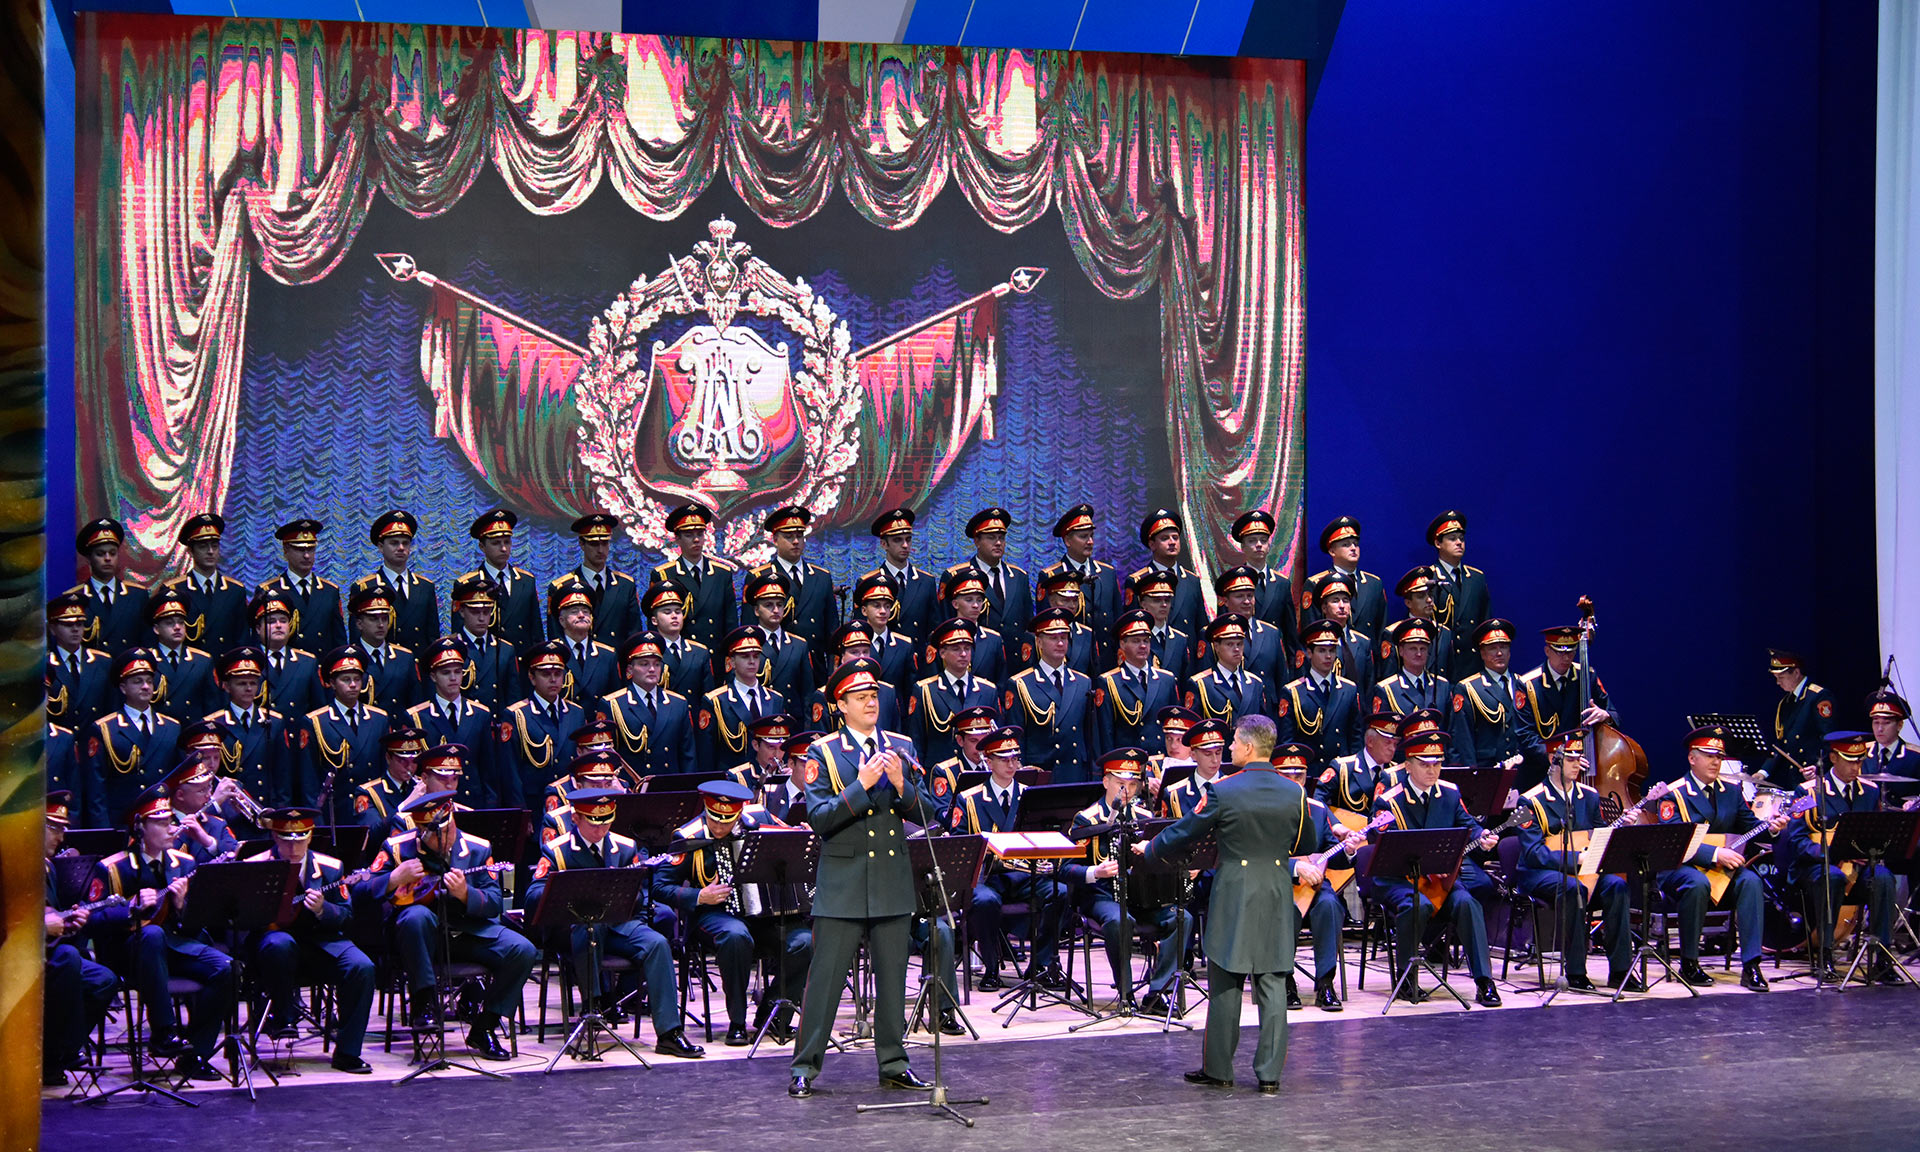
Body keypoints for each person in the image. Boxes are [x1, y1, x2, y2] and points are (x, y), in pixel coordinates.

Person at [788, 659, 934, 1099]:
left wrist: (901, 785)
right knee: (825, 981)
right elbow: (819, 818)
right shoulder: (823, 752)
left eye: (874, 695)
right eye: (860, 697)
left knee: (893, 980)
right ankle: (805, 1066)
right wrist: (863, 784)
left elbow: (929, 812)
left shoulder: (900, 746)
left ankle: (893, 1063)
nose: (871, 702)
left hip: (890, 877)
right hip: (844, 881)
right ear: (841, 705)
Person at [1135, 722, 1298, 1094]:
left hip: (1235, 890)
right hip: (1276, 889)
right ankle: (1270, 1074)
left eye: (1234, 743)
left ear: (1248, 747)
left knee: (1226, 975)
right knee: (1272, 978)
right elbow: (1305, 839)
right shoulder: (1294, 791)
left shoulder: (1223, 790)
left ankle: (1219, 1068)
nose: (1230, 749)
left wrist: (1151, 849)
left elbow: (1186, 830)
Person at [526, 787, 706, 1057]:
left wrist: (624, 889)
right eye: (593, 823)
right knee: (590, 928)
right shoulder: (556, 851)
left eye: (606, 822)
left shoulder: (625, 847)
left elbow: (641, 895)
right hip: (572, 928)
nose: (601, 830)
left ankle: (669, 1032)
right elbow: (533, 896)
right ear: (576, 818)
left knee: (657, 943)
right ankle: (593, 1007)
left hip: (618, 923)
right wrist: (573, 889)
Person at [358, 790, 535, 1059]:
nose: (443, 839)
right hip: (418, 938)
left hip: (467, 932)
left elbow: (494, 902)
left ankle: (485, 1027)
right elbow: (359, 894)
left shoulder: (478, 848)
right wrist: (393, 879)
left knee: (522, 950)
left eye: (447, 829)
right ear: (420, 830)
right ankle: (424, 1005)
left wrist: (466, 894)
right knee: (416, 916)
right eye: (433, 834)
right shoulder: (396, 848)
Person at [86, 781, 233, 1079]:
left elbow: (196, 922)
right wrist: (130, 907)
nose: (171, 829)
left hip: (173, 945)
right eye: (162, 823)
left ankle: (195, 1054)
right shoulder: (112, 867)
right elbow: (92, 918)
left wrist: (181, 906)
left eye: (171, 821)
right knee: (152, 935)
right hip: (128, 952)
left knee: (226, 968)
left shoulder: (185, 862)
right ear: (140, 827)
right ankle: (163, 1032)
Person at [658, 781, 813, 1046]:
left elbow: (791, 840)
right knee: (736, 936)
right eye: (714, 819)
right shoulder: (688, 836)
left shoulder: (760, 819)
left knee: (805, 942)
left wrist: (803, 838)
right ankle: (737, 1022)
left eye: (727, 821)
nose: (719, 828)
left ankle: (774, 1015)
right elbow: (660, 886)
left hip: (764, 916)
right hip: (713, 914)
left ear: (739, 813)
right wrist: (699, 895)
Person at [1369, 730, 1503, 1006]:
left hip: (1440, 881)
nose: (1432, 770)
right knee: (1415, 906)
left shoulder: (1450, 794)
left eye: (1437, 764)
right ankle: (1406, 978)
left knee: (1468, 903)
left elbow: (1468, 825)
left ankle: (1484, 981)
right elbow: (1382, 845)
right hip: (1400, 880)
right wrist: (1428, 862)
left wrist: (1483, 836)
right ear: (1408, 766)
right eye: (1424, 764)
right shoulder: (1389, 800)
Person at [242, 806, 377, 1072]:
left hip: (321, 943)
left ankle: (348, 1052)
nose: (294, 848)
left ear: (311, 836)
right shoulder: (254, 866)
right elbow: (241, 920)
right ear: (275, 836)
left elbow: (346, 916)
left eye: (300, 839)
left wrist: (323, 909)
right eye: (286, 840)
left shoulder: (331, 867)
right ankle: (283, 1016)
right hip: (273, 948)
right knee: (279, 944)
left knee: (362, 966)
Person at [1655, 725, 1788, 991]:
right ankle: (1689, 962)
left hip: (1722, 870)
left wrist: (1772, 827)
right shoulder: (1673, 793)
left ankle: (1751, 965)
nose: (1716, 762)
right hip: (1681, 866)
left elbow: (1751, 827)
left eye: (1719, 756)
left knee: (1751, 881)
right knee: (1696, 884)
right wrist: (1715, 854)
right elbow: (1674, 842)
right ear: (1692, 758)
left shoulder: (1731, 791)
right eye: (1709, 756)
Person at [1066, 747, 1193, 1015]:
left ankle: (1158, 992)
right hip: (1102, 896)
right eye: (1120, 783)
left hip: (1143, 897)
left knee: (1183, 918)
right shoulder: (1087, 819)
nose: (1127, 791)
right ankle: (1125, 993)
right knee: (1119, 920)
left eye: (1133, 784)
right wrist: (1095, 872)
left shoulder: (1146, 819)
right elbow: (1065, 869)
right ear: (1106, 782)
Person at [1514, 731, 1641, 992]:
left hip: (1584, 870)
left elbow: (1598, 835)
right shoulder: (1530, 799)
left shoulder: (1589, 796)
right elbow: (1534, 853)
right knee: (1573, 889)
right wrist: (1575, 858)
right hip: (1540, 872)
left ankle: (1620, 970)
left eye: (1579, 758)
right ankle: (1575, 971)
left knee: (1617, 886)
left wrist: (1620, 830)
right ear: (1554, 759)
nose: (1577, 764)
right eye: (1570, 759)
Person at [1780, 732, 1902, 983]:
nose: (1856, 767)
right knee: (1832, 877)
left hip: (1857, 868)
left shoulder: (1870, 791)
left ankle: (1882, 958)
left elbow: (1877, 834)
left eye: (1860, 760)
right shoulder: (1810, 791)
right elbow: (1798, 841)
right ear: (1834, 758)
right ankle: (1825, 955)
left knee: (1883, 877)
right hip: (1816, 867)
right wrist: (1833, 853)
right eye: (1850, 760)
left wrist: (1871, 851)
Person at [953, 724, 1067, 990]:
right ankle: (991, 967)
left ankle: (1040, 964)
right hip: (988, 877)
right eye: (1004, 759)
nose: (1011, 764)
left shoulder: (1032, 795)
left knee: (1059, 892)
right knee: (985, 900)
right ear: (988, 761)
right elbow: (960, 845)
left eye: (1015, 758)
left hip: (1025, 874)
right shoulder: (969, 799)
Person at [1269, 737, 1360, 1011]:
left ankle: (1325, 983)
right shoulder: (1263, 810)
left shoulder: (1318, 810)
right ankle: (1285, 981)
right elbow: (1257, 854)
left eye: (1299, 775)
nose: (1294, 781)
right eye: (1287, 775)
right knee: (1285, 909)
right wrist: (1295, 867)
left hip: (1315, 886)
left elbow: (1336, 856)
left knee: (1330, 905)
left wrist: (1349, 850)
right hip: (1276, 884)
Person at [42, 790, 118, 1087]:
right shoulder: (11, 864)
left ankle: (57, 1053)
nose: (62, 838)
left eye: (64, 829)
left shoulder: (48, 866)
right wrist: (43, 927)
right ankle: (63, 1052)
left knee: (104, 980)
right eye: (55, 828)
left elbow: (49, 913)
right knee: (68, 958)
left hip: (47, 953)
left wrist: (68, 922)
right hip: (18, 954)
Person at [83, 648, 182, 827]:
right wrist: (104, 832)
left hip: (161, 821)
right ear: (123, 688)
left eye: (149, 681)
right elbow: (96, 791)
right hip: (122, 822)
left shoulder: (171, 727)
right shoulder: (105, 728)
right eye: (137, 682)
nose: (145, 686)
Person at [1448, 619, 1545, 785]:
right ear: (1482, 653)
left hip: (1523, 775)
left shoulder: (1524, 684)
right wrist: (1472, 779)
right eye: (1492, 648)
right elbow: (1463, 741)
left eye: (1504, 647)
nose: (1499, 653)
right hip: (1488, 774)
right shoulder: (1469, 688)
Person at [1003, 608, 1095, 782]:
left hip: (1075, 773)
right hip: (1041, 773)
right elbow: (1017, 737)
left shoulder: (1083, 682)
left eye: (1064, 638)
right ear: (1039, 642)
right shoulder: (1021, 683)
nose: (1060, 643)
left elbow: (1089, 737)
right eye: (1053, 638)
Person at [302, 647, 391, 823]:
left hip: (372, 812)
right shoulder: (316, 721)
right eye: (346, 679)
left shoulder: (379, 718)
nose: (353, 685)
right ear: (332, 683)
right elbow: (309, 781)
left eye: (357, 679)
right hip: (336, 814)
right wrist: (318, 823)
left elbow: (384, 770)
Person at [407, 638, 498, 807]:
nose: (453, 678)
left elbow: (488, 770)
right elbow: (414, 772)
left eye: (458, 672)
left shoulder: (480, 714)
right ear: (433, 676)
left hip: (473, 802)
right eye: (446, 673)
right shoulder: (418, 716)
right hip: (435, 803)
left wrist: (490, 807)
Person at [497, 640, 586, 810]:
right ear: (532, 678)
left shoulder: (576, 713)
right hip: (533, 804)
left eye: (558, 673)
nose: (553, 680)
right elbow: (510, 771)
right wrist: (521, 813)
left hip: (569, 802)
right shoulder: (516, 714)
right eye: (546, 674)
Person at [752, 505, 838, 670]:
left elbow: (831, 629)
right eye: (788, 536)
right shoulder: (761, 577)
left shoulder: (821, 577)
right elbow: (752, 630)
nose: (796, 541)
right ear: (775, 539)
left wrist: (830, 670)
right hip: (777, 665)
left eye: (799, 535)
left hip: (815, 665)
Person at [600, 632, 697, 778]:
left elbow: (688, 755)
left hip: (670, 785)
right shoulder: (613, 704)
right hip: (633, 786)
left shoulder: (678, 703)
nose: (652, 669)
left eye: (656, 664)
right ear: (630, 670)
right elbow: (607, 755)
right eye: (644, 664)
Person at [907, 617, 998, 766]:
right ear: (942, 653)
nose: (963, 654)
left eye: (967, 648)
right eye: (956, 649)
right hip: (939, 773)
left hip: (978, 771)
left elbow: (995, 739)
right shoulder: (925, 690)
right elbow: (917, 740)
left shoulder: (988, 690)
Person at [1040, 503, 1122, 665]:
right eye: (1083, 536)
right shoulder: (1052, 576)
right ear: (1067, 540)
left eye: (1091, 536)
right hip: (1073, 660)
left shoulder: (1107, 574)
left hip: (1106, 660)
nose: (1090, 541)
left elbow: (1117, 621)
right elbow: (1046, 625)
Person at [651, 502, 738, 656]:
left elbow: (730, 623)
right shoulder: (664, 575)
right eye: (689, 535)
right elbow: (655, 626)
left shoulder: (722, 574)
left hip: (715, 655)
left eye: (700, 534)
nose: (696, 540)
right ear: (677, 539)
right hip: (682, 657)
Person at [697, 626, 786, 773]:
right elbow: (706, 755)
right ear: (732, 662)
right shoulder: (716, 701)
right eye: (745, 656)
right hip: (731, 781)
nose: (752, 661)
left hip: (769, 779)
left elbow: (782, 745)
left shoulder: (775, 699)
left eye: (756, 656)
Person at [547, 513, 642, 647]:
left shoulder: (625, 585)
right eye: (594, 544)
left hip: (616, 658)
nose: (600, 550)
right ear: (582, 544)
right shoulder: (562, 587)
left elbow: (634, 633)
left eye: (605, 543)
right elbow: (556, 636)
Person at [1095, 609, 1182, 755]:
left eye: (1146, 641)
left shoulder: (1166, 680)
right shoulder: (1110, 682)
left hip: (1160, 759)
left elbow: (1174, 727)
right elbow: (1106, 733)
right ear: (1122, 644)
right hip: (1128, 761)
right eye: (1136, 641)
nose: (1142, 646)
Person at [164, 512, 250, 659]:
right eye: (203, 546)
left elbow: (242, 639)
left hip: (225, 666)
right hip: (191, 666)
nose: (210, 552)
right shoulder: (175, 590)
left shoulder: (235, 591)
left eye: (214, 546)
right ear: (190, 551)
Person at [351, 510, 438, 654]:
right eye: (394, 543)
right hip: (383, 662)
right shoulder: (365, 587)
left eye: (405, 543)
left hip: (418, 663)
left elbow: (432, 636)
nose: (401, 548)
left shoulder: (425, 587)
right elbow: (357, 640)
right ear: (381, 547)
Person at [455, 508, 542, 652]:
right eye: (496, 543)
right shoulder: (468, 584)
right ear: (482, 547)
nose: (503, 549)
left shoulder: (526, 581)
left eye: (507, 542)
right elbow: (460, 635)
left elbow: (536, 632)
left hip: (521, 657)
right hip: (486, 658)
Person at [1277, 620, 1362, 765]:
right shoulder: (1293, 692)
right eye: (1322, 651)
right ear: (1309, 653)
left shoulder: (1349, 689)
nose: (1328, 656)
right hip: (1310, 769)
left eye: (1332, 650)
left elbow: (1355, 737)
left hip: (1341, 769)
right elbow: (1287, 741)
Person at [255, 518, 345, 654]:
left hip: (321, 665)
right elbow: (259, 640)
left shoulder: (329, 591)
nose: (307, 556)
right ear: (286, 550)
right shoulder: (270, 590)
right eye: (300, 550)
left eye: (311, 549)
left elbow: (339, 640)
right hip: (287, 664)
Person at [1516, 624, 1616, 744]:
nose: (1566, 658)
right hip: (1547, 753)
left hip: (1582, 751)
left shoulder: (1587, 675)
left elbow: (1613, 714)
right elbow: (1525, 735)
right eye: (1560, 652)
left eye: (1571, 652)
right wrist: (1556, 753)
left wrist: (1606, 716)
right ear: (1547, 651)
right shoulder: (1528, 684)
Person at [944, 506, 1031, 638]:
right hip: (978, 648)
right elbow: (946, 623)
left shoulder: (1019, 577)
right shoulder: (956, 576)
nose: (998, 543)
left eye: (1001, 538)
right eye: (991, 538)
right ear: (977, 541)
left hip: (1014, 649)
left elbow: (1027, 623)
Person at [1299, 516, 1386, 647]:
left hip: (1366, 656)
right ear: (1332, 551)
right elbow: (1310, 629)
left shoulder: (1374, 584)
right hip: (1331, 654)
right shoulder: (1316, 584)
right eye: (1346, 545)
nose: (1353, 548)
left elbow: (1380, 630)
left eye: (1356, 544)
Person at [1757, 649, 1839, 787]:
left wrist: (1818, 766)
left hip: (1815, 777)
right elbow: (1781, 745)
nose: (1778, 682)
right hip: (1794, 778)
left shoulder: (1818, 697)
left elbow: (1829, 739)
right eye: (1776, 677)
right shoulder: (1786, 703)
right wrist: (1763, 772)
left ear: (1796, 673)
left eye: (1781, 677)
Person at [70, 517, 150, 655]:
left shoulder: (137, 596)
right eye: (100, 554)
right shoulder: (76, 598)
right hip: (93, 667)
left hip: (129, 666)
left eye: (112, 553)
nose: (107, 558)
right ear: (89, 558)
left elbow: (148, 641)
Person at [1426, 511, 1489, 681]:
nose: (1459, 543)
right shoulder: (1429, 579)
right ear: (1438, 543)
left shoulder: (1476, 578)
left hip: (1472, 663)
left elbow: (1484, 621)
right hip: (1442, 664)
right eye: (1452, 539)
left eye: (1461, 538)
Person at [866, 507, 940, 645]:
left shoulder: (926, 581)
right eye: (897, 540)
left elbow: (934, 629)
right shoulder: (870, 582)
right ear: (884, 544)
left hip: (917, 654)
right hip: (886, 653)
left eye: (908, 539)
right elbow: (864, 632)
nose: (905, 545)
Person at [450, 574, 522, 714]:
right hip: (466, 719)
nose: (481, 618)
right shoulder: (453, 647)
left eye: (486, 611)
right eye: (475, 612)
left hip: (497, 720)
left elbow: (513, 697)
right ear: (462, 611)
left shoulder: (505, 649)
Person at [1129, 508, 1204, 643]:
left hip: (1187, 652)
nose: (1172, 542)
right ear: (1152, 544)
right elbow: (1133, 627)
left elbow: (1201, 626)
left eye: (1175, 537)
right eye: (1164, 538)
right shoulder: (1138, 580)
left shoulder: (1192, 580)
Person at [1184, 613, 1272, 725]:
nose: (1236, 649)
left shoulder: (1255, 683)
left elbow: (1262, 726)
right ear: (1216, 647)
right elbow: (1193, 725)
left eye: (1239, 644)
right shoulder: (1202, 684)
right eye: (1230, 644)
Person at [1316, 710, 1403, 822]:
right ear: (1370, 741)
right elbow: (1317, 799)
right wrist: (1335, 825)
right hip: (1348, 829)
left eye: (1395, 744)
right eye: (1387, 743)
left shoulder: (1396, 773)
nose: (1392, 749)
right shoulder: (1343, 768)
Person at [745, 571, 815, 706]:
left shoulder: (798, 645)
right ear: (756, 610)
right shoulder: (748, 645)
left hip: (792, 716)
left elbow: (807, 693)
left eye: (780, 604)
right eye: (768, 605)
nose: (776, 610)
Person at [48, 590, 114, 734]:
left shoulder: (103, 662)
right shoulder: (45, 665)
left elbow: (111, 709)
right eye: (68, 625)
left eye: (80, 624)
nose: (75, 629)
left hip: (94, 740)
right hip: (60, 741)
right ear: (52, 629)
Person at [146, 589, 217, 722]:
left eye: (181, 622)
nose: (177, 627)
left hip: (194, 729)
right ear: (156, 629)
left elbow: (212, 705)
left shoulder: (202, 661)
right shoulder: (147, 660)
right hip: (161, 730)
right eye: (169, 623)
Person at [252, 590, 321, 721]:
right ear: (258, 628)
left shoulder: (306, 662)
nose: (278, 626)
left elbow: (318, 710)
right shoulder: (250, 661)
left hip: (298, 732)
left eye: (283, 621)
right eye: (271, 621)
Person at [1381, 566, 1456, 680]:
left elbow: (1451, 676)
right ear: (1408, 603)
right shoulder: (1393, 632)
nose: (1429, 600)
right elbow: (1389, 677)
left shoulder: (1444, 632)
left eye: (1430, 594)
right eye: (1421, 596)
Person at [1305, 575, 1374, 700]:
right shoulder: (1313, 641)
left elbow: (1368, 687)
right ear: (1324, 607)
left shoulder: (1363, 642)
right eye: (1335, 601)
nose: (1342, 606)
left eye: (1346, 600)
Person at [352, 725, 430, 833]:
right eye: (403, 761)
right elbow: (371, 833)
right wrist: (405, 806)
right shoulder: (369, 792)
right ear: (388, 758)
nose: (409, 767)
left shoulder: (423, 787)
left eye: (414, 761)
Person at [641, 581, 711, 702]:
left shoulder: (699, 652)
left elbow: (707, 696)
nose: (674, 616)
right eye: (667, 612)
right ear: (654, 620)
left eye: (678, 611)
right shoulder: (647, 653)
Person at [934, 570, 1006, 683]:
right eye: (969, 600)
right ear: (955, 604)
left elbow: (1001, 681)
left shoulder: (993, 639)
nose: (975, 605)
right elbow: (933, 680)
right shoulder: (941, 636)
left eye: (979, 600)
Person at [1371, 618, 1452, 718]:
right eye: (1413, 649)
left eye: (1423, 649)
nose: (1419, 654)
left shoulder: (1442, 686)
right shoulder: (1387, 689)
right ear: (1401, 651)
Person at [553, 585, 620, 704]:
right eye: (574, 612)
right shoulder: (553, 653)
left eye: (585, 612)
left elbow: (615, 698)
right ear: (562, 621)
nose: (581, 615)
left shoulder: (607, 655)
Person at [1129, 569, 1193, 684]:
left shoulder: (1180, 639)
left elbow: (1185, 681)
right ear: (1143, 604)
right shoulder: (1136, 639)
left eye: (1167, 600)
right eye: (1157, 600)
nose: (1163, 605)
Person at [1866, 689, 1920, 802]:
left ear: (1899, 725)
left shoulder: (1915, 757)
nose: (1880, 729)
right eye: (1876, 722)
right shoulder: (1862, 753)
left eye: (1886, 723)